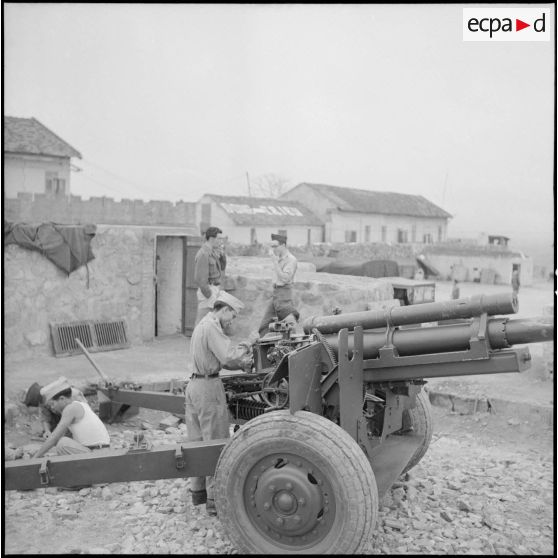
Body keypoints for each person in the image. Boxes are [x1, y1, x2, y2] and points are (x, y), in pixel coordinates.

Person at [185, 291, 257, 516]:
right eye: (232, 316)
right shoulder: (213, 326)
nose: (232, 321)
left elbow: (222, 358)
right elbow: (228, 357)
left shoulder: (201, 325)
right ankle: (215, 501)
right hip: (208, 388)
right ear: (223, 309)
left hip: (194, 385)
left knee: (196, 442)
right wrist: (249, 343)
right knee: (216, 444)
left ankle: (198, 491)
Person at [33, 378, 110, 458]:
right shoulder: (80, 405)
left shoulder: (70, 409)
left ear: (62, 399)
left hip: (97, 453)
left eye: (52, 404)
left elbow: (54, 437)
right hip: (100, 451)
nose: (52, 408)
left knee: (63, 443)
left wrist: (35, 458)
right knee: (62, 442)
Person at [258, 233, 298, 337]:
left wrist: (275, 263)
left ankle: (297, 348)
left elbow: (285, 278)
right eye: (272, 246)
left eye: (275, 246)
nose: (273, 249)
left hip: (284, 295)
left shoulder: (291, 259)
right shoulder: (278, 258)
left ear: (283, 245)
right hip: (276, 295)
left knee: (289, 326)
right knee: (265, 326)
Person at [193, 226, 227, 325]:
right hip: (208, 290)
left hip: (214, 290)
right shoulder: (203, 253)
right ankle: (197, 340)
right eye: (219, 238)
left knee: (211, 323)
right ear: (212, 238)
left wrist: (222, 254)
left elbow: (222, 267)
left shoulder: (213, 251)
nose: (221, 241)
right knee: (202, 322)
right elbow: (199, 279)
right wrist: (209, 294)